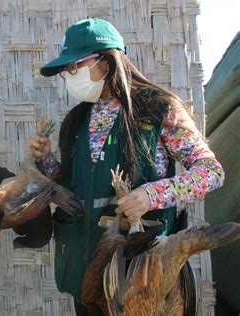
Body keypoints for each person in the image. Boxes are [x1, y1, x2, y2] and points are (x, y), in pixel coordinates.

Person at [26, 18, 224, 314]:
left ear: (105, 63)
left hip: (138, 276)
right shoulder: (76, 120)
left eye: (73, 66)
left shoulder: (159, 109)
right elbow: (72, 187)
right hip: (85, 274)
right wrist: (46, 160)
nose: (69, 76)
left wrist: (150, 196)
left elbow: (210, 172)